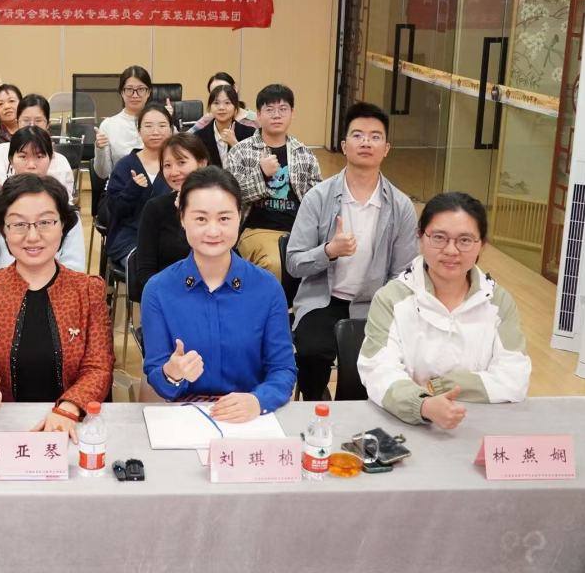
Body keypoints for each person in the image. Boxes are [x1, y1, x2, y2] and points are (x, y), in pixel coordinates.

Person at [0, 174, 113, 441]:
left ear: (63, 225)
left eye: (45, 222)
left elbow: (99, 366)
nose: (32, 236)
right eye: (19, 224)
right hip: (4, 427)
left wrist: (68, 409)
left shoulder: (88, 290)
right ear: (3, 229)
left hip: (70, 428)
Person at [357, 192, 531, 429]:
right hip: (406, 423)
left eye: (465, 240)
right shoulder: (391, 298)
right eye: (439, 238)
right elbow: (378, 370)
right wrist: (422, 404)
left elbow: (514, 377)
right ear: (420, 238)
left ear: (482, 245)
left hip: (480, 425)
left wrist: (439, 387)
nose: (451, 250)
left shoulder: (498, 302)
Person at [286, 102, 418, 401]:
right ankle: (317, 403)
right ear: (344, 146)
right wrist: (329, 251)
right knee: (310, 352)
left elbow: (404, 275)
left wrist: (387, 311)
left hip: (374, 304)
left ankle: (351, 415)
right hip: (322, 299)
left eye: (375, 137)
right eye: (358, 135)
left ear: (386, 148)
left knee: (364, 368)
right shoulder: (317, 197)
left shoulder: (401, 206)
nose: (366, 142)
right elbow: (293, 262)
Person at [141, 168, 296, 418]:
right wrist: (172, 373)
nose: (213, 231)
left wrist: (259, 401)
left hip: (250, 416)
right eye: (201, 219)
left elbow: (283, 370)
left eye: (224, 218)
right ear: (182, 219)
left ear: (240, 216)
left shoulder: (267, 288)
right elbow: (156, 375)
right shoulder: (158, 290)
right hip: (185, 417)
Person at [0, 128, 85, 290]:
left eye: (40, 156)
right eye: (23, 156)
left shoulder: (64, 208)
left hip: (53, 292)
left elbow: (75, 267)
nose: (31, 165)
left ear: (50, 160)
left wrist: (43, 290)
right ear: (11, 160)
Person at [225, 83, 322, 281]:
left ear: (292, 113)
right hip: (257, 229)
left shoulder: (304, 154)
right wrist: (261, 174)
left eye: (283, 109)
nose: (277, 115)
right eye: (269, 110)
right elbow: (230, 197)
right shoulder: (240, 152)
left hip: (298, 231)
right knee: (275, 264)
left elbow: (318, 199)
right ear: (258, 115)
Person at [134, 132, 209, 297]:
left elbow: (227, 259)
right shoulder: (155, 208)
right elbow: (145, 271)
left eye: (181, 162)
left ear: (202, 163)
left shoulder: (218, 206)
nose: (174, 172)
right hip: (168, 296)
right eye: (167, 165)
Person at [0, 94, 75, 212]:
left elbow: (66, 207)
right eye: (26, 121)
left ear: (48, 125)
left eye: (38, 121)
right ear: (17, 123)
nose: (32, 126)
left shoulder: (60, 161)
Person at [104, 102, 173, 267]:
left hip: (170, 237)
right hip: (130, 238)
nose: (155, 131)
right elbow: (114, 211)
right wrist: (132, 189)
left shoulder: (178, 166)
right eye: (148, 126)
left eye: (162, 125)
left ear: (171, 130)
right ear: (139, 131)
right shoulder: (125, 165)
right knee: (145, 264)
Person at [93, 65, 152, 180]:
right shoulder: (108, 125)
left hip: (155, 187)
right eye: (129, 89)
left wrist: (168, 125)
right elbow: (102, 174)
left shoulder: (159, 123)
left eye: (140, 89)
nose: (135, 95)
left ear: (148, 92)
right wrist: (100, 149)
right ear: (121, 92)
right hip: (121, 186)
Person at [194, 83, 257, 168]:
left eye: (227, 103)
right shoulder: (199, 137)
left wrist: (235, 144)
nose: (221, 107)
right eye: (216, 103)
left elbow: (254, 167)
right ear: (210, 107)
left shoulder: (249, 133)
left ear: (236, 108)